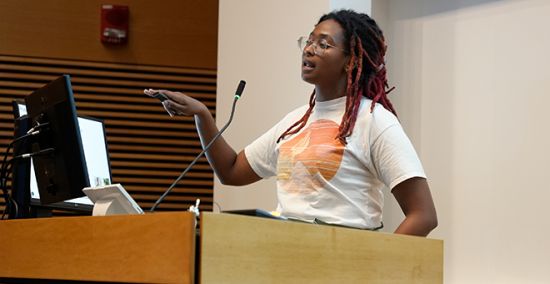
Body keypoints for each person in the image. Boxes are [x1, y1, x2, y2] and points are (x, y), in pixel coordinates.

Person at [144, 10, 437, 236]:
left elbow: (423, 215)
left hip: (344, 264)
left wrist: (376, 264)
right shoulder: (294, 122)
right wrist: (202, 115)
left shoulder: (373, 120)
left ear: (350, 61)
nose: (309, 49)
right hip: (283, 255)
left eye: (324, 45)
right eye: (309, 41)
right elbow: (231, 170)